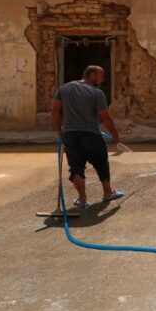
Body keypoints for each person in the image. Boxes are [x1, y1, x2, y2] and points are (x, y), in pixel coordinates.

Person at [51, 65, 123, 209]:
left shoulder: (64, 89)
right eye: (101, 76)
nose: (102, 80)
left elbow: (55, 111)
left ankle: (82, 200)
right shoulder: (97, 93)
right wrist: (116, 136)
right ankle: (108, 192)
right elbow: (105, 117)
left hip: (70, 135)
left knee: (76, 168)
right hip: (91, 135)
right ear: (91, 75)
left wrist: (60, 131)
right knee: (101, 162)